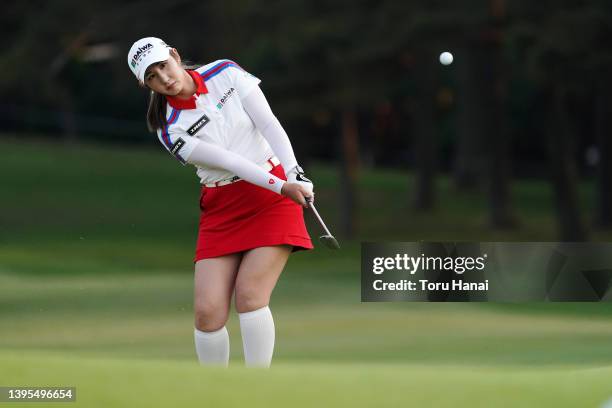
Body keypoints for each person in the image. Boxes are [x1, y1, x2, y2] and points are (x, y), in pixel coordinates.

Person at [127, 37, 315, 368]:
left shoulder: (225, 72)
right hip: (225, 204)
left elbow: (268, 123)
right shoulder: (168, 128)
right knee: (207, 313)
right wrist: (282, 185)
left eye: (164, 65)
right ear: (146, 85)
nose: (164, 77)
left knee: (250, 295)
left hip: (272, 198)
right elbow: (228, 161)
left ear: (175, 55)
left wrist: (293, 172)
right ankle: (215, 394)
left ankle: (257, 390)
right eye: (153, 76)